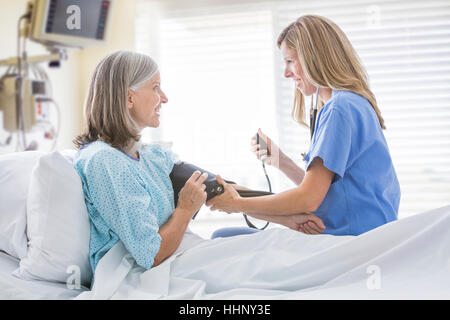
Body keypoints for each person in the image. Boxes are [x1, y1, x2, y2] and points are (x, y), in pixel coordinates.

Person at [73, 50, 325, 275]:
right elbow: (151, 255)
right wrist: (184, 210)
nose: (165, 98)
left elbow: (216, 188)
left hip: (182, 256)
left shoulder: (150, 156)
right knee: (270, 261)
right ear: (130, 97)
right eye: (156, 87)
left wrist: (289, 219)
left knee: (274, 247)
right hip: (138, 276)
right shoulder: (104, 162)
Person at [207, 15, 401, 236]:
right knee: (226, 236)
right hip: (359, 232)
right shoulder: (352, 103)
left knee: (221, 237)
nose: (286, 73)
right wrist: (281, 161)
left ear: (314, 58)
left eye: (290, 61)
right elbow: (328, 192)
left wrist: (236, 204)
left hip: (349, 238)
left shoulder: (339, 109)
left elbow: (309, 198)